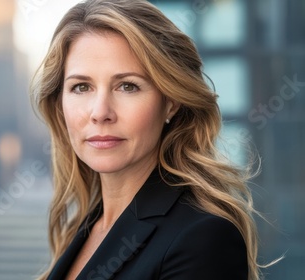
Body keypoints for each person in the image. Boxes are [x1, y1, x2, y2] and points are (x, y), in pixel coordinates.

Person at [30, 0, 262, 279]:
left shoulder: (202, 239)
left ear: (171, 102)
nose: (100, 112)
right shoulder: (86, 227)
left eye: (128, 86)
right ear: (60, 103)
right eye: (81, 87)